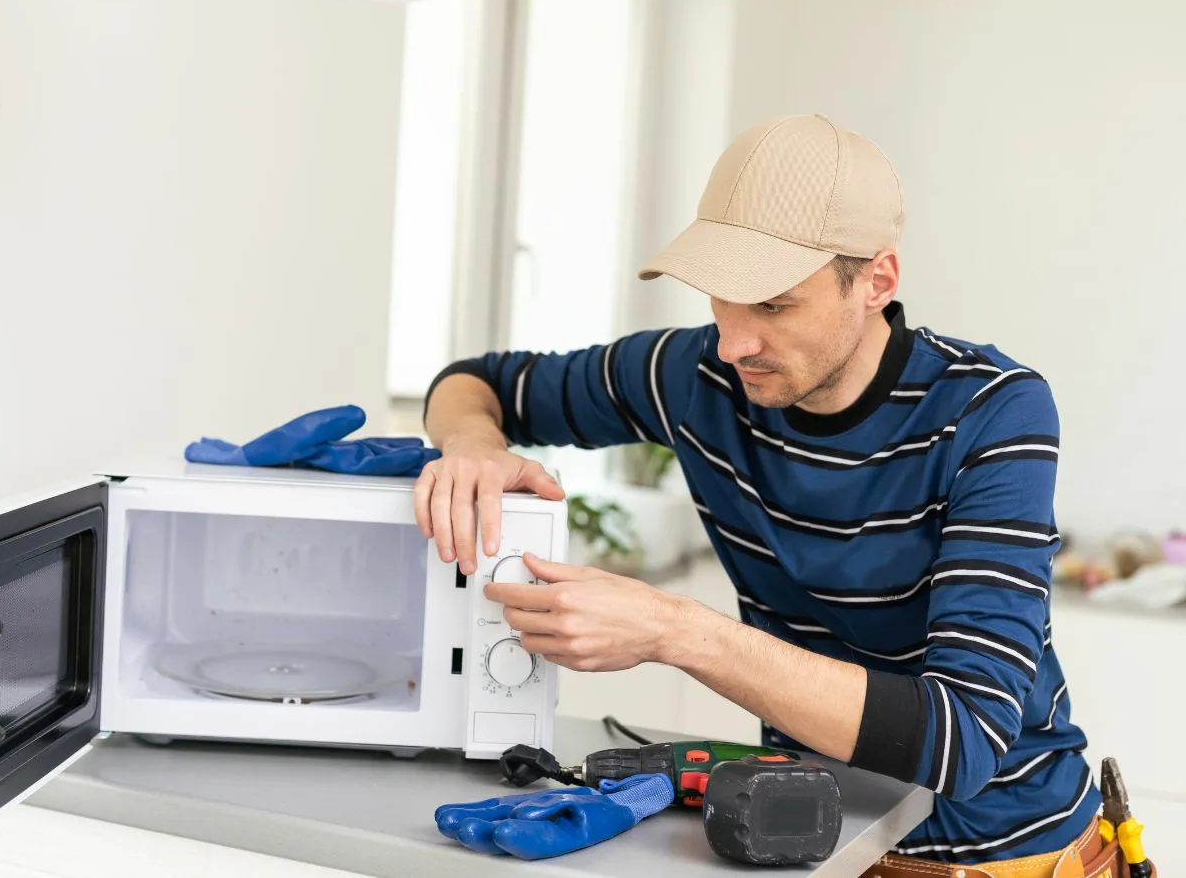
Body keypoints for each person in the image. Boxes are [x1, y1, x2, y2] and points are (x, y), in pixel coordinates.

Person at [416, 114, 1131, 877]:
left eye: (774, 304)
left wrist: (674, 631)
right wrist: (473, 449)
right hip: (814, 851)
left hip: (1016, 859)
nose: (733, 342)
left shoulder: (991, 411)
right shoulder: (696, 379)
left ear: (877, 282)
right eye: (721, 299)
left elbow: (963, 738)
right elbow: (475, 384)